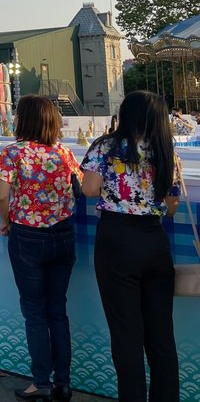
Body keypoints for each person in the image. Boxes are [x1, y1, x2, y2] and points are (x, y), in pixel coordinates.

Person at [81, 91, 183, 402]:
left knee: (126, 334)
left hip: (116, 240)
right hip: (155, 241)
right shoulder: (167, 150)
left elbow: (89, 190)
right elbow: (173, 205)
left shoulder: (105, 147)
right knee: (161, 334)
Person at [0, 96, 82, 401]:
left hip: (27, 235)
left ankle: (40, 382)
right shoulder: (64, 152)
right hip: (63, 235)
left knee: (35, 312)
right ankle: (63, 383)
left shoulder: (13, 153)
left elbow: (2, 195)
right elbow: (80, 187)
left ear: (23, 120)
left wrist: (6, 222)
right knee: (58, 309)